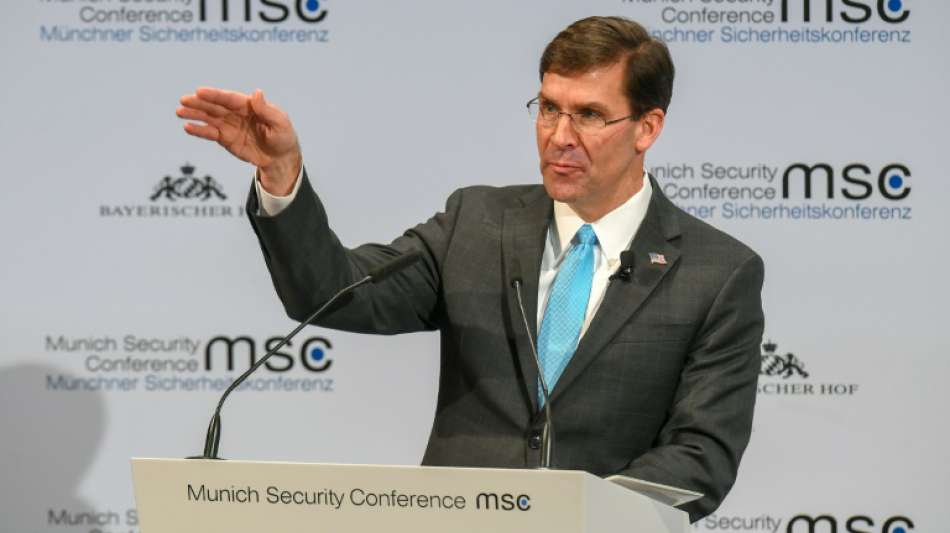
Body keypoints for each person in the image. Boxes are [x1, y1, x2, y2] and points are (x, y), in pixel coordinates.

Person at [176, 16, 764, 521]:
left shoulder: (716, 273)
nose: (559, 137)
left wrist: (579, 519)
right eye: (549, 109)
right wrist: (281, 175)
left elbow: (701, 455)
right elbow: (333, 291)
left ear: (647, 127)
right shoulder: (477, 223)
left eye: (589, 115)